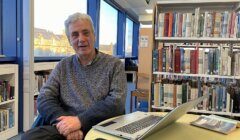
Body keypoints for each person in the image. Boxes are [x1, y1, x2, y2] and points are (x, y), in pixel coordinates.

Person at [22, 12, 127, 140]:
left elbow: (116, 103)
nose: (81, 39)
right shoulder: (63, 66)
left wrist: (80, 121)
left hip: (101, 127)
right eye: (75, 35)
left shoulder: (114, 64)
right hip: (66, 126)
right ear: (69, 40)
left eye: (86, 33)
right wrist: (65, 124)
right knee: (29, 137)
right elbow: (44, 97)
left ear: (94, 35)